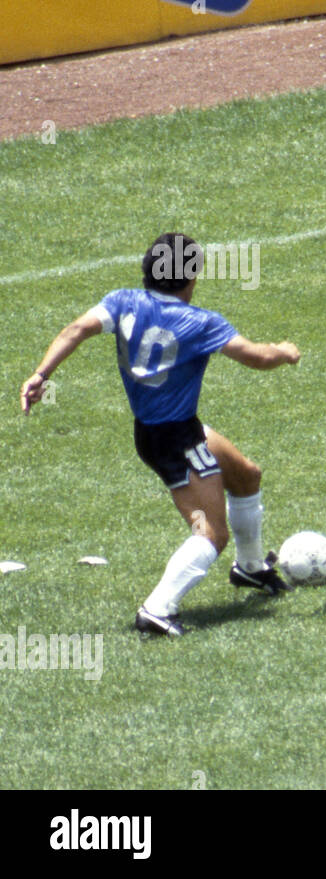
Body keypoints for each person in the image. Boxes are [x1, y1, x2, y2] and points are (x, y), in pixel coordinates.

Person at [19, 232, 301, 636]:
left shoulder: (122, 302)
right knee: (211, 534)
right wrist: (285, 351)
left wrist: (40, 374)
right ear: (192, 278)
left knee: (245, 474)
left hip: (161, 429)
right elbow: (257, 357)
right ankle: (157, 609)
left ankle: (251, 569)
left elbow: (76, 329)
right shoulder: (200, 322)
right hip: (176, 440)